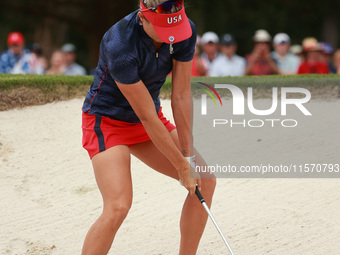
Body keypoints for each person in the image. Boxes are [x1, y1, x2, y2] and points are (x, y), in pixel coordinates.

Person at [81, 0, 216, 254]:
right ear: (143, 19)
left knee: (204, 180)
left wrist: (187, 157)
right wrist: (180, 166)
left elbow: (181, 96)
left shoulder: (185, 31)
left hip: (147, 118)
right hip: (106, 121)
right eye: (164, 30)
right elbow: (146, 117)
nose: (172, 37)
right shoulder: (119, 42)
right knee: (118, 206)